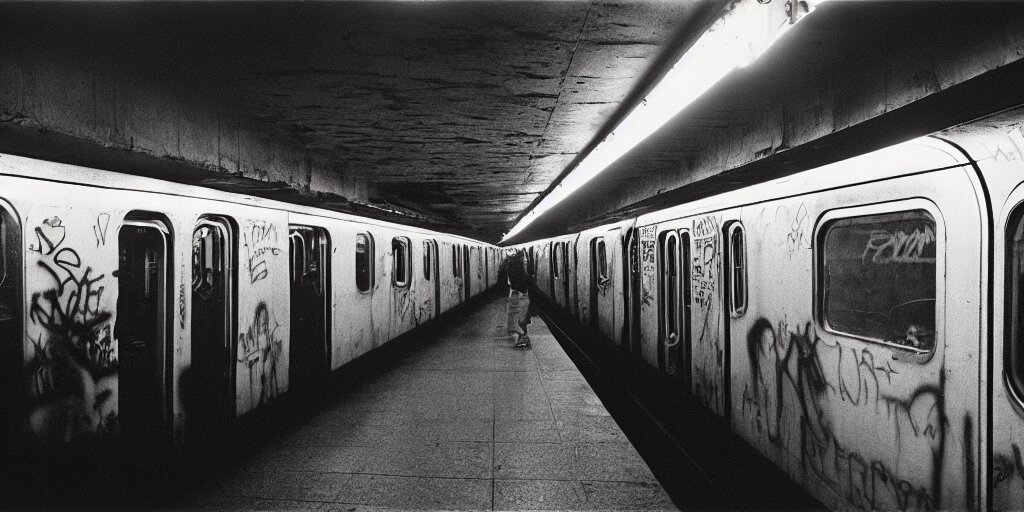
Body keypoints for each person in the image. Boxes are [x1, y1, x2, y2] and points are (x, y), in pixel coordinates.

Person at [505, 249, 535, 349]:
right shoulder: (523, 270)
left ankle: (523, 339)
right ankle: (523, 338)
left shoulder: (512, 265)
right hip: (522, 293)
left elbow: (513, 281)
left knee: (517, 319)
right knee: (522, 319)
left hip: (519, 293)